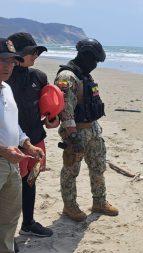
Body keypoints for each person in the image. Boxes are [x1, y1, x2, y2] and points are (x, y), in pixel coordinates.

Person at [55, 38, 118, 222]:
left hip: (93, 129)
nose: (95, 65)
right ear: (85, 56)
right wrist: (73, 137)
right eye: (95, 61)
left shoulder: (84, 74)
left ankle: (99, 201)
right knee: (70, 170)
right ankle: (70, 206)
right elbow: (65, 110)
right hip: (76, 132)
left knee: (98, 167)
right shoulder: (67, 77)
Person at [7, 32, 59, 238]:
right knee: (11, 189)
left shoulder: (39, 76)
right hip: (13, 143)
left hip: (36, 138)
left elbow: (46, 109)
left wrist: (52, 120)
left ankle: (28, 223)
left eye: (37, 51)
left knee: (31, 181)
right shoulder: (5, 77)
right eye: (31, 52)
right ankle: (8, 233)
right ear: (17, 53)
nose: (35, 55)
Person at [0, 38, 45, 253]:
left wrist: (26, 144)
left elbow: (13, 126)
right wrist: (3, 151)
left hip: (12, 162)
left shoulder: (6, 88)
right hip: (4, 158)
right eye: (2, 60)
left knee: (9, 218)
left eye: (11, 61)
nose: (7, 66)